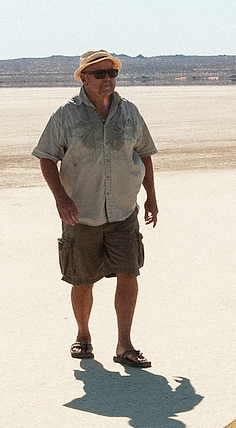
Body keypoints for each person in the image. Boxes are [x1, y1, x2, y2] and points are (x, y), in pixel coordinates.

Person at [33, 49, 160, 367]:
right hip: (81, 213)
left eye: (112, 73)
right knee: (82, 279)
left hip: (123, 211)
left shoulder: (130, 112)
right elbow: (47, 156)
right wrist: (61, 198)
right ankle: (83, 336)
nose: (108, 79)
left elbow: (144, 153)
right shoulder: (65, 115)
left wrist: (151, 197)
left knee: (129, 274)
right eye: (100, 74)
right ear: (84, 78)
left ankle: (124, 345)